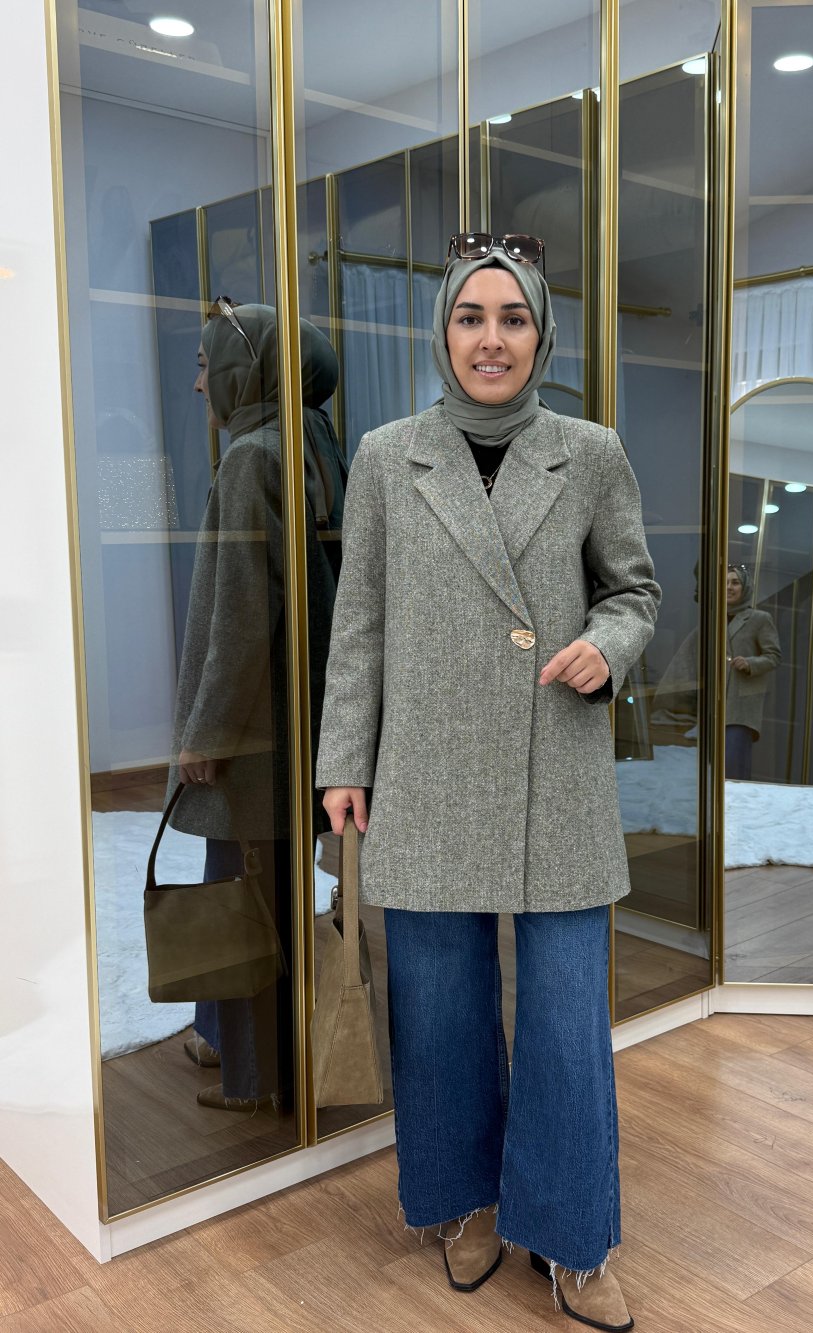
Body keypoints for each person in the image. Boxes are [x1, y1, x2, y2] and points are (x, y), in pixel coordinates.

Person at [317, 233, 660, 1331]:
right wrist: (343, 759)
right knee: (439, 1009)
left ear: (542, 334)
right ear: (444, 332)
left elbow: (635, 590)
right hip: (425, 764)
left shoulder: (589, 452)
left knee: (565, 1022)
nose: (491, 339)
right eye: (472, 317)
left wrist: (609, 644)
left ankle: (572, 1235)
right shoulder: (386, 456)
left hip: (554, 764)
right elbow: (359, 622)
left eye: (513, 318)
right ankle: (463, 1200)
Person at [168, 300, 347, 1112]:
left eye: (207, 364)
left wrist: (205, 731)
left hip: (257, 728)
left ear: (245, 371)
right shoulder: (314, 442)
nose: (199, 382)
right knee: (260, 886)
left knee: (242, 895)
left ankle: (252, 1074)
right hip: (301, 719)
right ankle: (219, 1033)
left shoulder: (251, 458)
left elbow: (240, 613)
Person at [723, 563, 780, 779]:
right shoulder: (712, 617)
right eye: (725, 583)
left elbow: (774, 656)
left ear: (745, 587)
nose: (729, 587)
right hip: (712, 705)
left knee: (733, 768)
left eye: (735, 582)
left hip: (741, 707)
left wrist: (750, 664)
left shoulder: (759, 618)